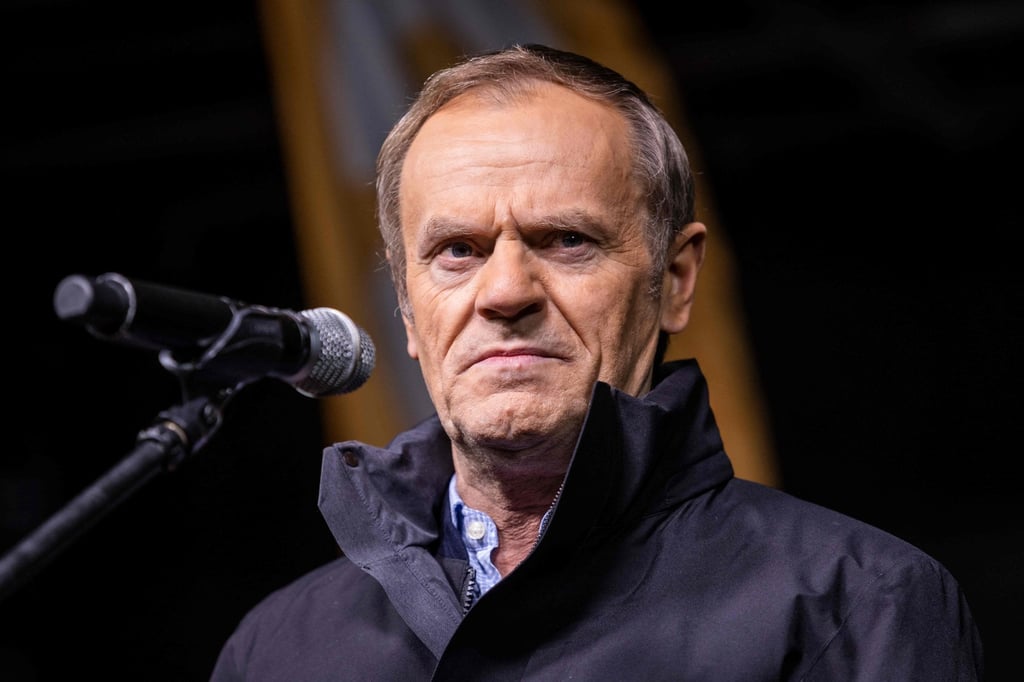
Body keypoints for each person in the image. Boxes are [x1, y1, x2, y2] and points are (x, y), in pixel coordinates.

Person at [210, 43, 983, 680]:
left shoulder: (858, 604)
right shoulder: (276, 651)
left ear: (675, 281)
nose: (506, 291)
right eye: (457, 252)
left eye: (566, 240)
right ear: (408, 309)